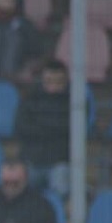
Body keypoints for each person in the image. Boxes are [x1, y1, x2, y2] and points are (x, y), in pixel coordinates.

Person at [14, 59, 71, 195]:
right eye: (49, 81)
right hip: (32, 161)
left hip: (60, 161)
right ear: (43, 79)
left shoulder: (75, 102)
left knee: (62, 190)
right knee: (20, 193)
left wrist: (40, 126)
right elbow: (21, 128)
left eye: (58, 82)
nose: (53, 86)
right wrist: (54, 127)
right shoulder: (30, 99)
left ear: (66, 81)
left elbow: (70, 129)